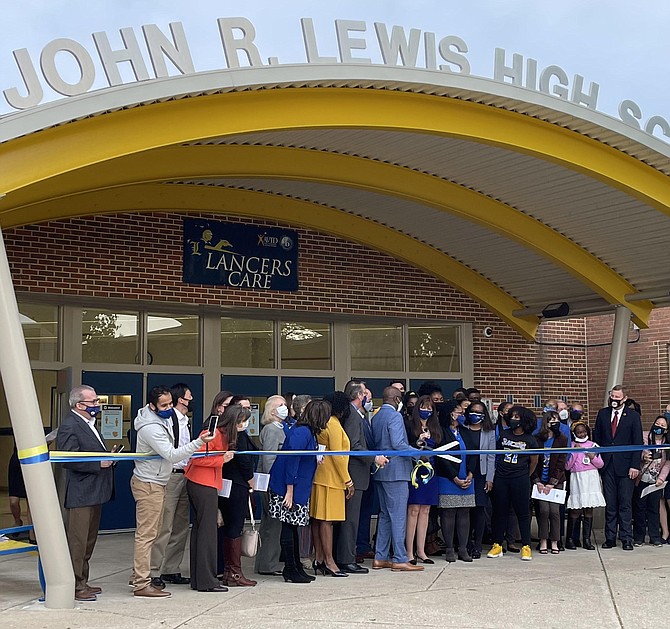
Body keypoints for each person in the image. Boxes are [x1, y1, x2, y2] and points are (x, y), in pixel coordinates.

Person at [131, 385, 214, 598]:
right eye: (165, 405)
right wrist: (199, 443)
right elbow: (171, 453)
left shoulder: (166, 419)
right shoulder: (150, 427)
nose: (170, 408)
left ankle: (161, 572)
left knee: (173, 528)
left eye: (170, 403)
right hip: (152, 482)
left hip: (166, 477)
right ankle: (143, 580)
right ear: (152, 406)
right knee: (150, 533)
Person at [56, 385, 114, 602]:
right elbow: (69, 458)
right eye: (94, 402)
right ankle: (75, 584)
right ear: (80, 405)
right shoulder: (70, 425)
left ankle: (83, 580)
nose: (97, 405)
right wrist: (98, 463)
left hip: (95, 490)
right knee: (78, 541)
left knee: (88, 540)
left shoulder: (90, 424)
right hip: (81, 492)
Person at [269, 399, 330, 583]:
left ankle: (295, 566)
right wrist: (289, 490)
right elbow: (291, 460)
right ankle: (290, 568)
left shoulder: (308, 432)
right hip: (288, 486)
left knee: (293, 527)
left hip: (298, 486)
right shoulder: (301, 432)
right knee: (288, 527)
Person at [370, 386, 424, 572]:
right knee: (398, 516)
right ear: (395, 399)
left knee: (385, 515)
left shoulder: (376, 416)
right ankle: (400, 558)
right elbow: (398, 444)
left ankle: (380, 556)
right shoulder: (394, 416)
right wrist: (419, 454)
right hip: (397, 472)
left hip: (381, 471)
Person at [185, 405, 237, 592]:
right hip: (203, 484)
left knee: (202, 532)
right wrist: (222, 460)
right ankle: (207, 581)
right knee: (207, 533)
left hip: (206, 483)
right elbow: (197, 458)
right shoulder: (212, 433)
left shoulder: (221, 434)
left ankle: (201, 579)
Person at [336, 382, 387, 574]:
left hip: (360, 474)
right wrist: (375, 457)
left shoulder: (360, 416)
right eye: (366, 394)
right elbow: (354, 446)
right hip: (354, 473)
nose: (369, 399)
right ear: (359, 395)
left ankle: (347, 555)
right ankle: (346, 558)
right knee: (350, 519)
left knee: (353, 518)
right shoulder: (353, 416)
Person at [149, 383, 194, 589]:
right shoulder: (168, 419)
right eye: (187, 396)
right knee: (163, 526)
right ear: (179, 399)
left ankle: (171, 569)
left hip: (185, 475)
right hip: (170, 476)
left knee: (181, 526)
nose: (191, 400)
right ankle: (153, 571)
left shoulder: (186, 421)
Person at [593, 385, 643, 550]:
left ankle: (627, 538)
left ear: (624, 398)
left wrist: (635, 465)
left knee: (625, 504)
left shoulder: (633, 416)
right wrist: (598, 462)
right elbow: (597, 439)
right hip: (607, 466)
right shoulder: (603, 413)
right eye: (612, 396)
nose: (614, 400)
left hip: (626, 466)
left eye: (617, 397)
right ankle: (610, 538)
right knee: (611, 504)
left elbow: (637, 443)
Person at [487, 405, 539, 561]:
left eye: (517, 417)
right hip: (502, 478)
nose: (513, 419)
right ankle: (497, 545)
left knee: (522, 512)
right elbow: (496, 454)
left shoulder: (530, 439)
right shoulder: (503, 434)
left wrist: (524, 475)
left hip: (520, 478)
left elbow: (534, 461)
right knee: (499, 512)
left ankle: (526, 546)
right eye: (512, 416)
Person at [310, 391, 352, 578]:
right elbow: (337, 455)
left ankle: (319, 558)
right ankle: (329, 561)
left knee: (318, 520)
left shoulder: (323, 422)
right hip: (332, 479)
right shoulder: (333, 424)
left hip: (320, 476)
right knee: (327, 522)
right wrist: (347, 480)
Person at [220, 400, 258, 587]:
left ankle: (229, 571)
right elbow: (244, 463)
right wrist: (252, 482)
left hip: (227, 486)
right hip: (238, 486)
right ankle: (235, 572)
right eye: (243, 420)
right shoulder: (238, 436)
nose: (246, 424)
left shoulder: (225, 435)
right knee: (235, 527)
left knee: (230, 527)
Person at [436, 400, 476, 563]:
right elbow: (441, 458)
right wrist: (455, 478)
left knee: (464, 513)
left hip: (466, 477)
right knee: (449, 513)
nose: (461, 415)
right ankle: (450, 548)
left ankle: (463, 549)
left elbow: (474, 453)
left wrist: (470, 474)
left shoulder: (465, 432)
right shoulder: (441, 432)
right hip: (448, 478)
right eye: (458, 412)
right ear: (450, 414)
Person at [255, 395, 289, 576]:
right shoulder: (271, 429)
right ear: (272, 410)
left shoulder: (280, 428)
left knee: (271, 524)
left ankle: (266, 563)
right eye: (281, 405)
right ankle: (269, 564)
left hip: (272, 481)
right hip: (271, 483)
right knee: (272, 525)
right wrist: (274, 483)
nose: (285, 407)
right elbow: (269, 459)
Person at [405, 395, 441, 564]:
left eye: (429, 408)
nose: (426, 411)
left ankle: (421, 550)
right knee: (413, 510)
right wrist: (418, 441)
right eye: (423, 407)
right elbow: (405, 446)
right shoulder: (409, 425)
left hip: (431, 471)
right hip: (415, 470)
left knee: (425, 510)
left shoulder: (435, 426)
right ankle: (409, 551)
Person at [462, 401, 496, 559]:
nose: (476, 415)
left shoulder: (489, 432)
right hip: (465, 473)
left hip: (481, 475)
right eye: (473, 411)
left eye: (479, 412)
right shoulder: (463, 430)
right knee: (466, 510)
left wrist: (490, 478)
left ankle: (477, 545)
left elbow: (491, 456)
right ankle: (465, 543)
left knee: (480, 510)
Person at [565, 420, 606, 550]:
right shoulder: (571, 445)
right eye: (578, 432)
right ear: (574, 433)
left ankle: (587, 539)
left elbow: (600, 464)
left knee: (589, 508)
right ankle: (570, 539)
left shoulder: (593, 445)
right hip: (577, 478)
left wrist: (592, 456)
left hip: (591, 478)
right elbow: (567, 466)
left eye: (583, 432)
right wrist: (575, 452)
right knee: (576, 509)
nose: (582, 434)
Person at [531, 411, 567, 554]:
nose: (555, 422)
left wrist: (552, 483)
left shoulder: (562, 439)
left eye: (557, 420)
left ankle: (555, 541)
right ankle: (543, 540)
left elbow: (561, 462)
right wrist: (537, 481)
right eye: (552, 420)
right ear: (546, 422)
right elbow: (532, 462)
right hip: (540, 480)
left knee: (555, 511)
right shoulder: (536, 439)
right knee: (544, 511)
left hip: (555, 480)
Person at [633, 416, 670, 546]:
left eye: (662, 426)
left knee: (654, 509)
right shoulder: (644, 437)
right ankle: (639, 537)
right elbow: (637, 452)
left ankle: (655, 537)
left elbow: (667, 464)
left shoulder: (667, 442)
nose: (659, 427)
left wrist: (661, 479)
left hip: (656, 482)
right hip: (641, 478)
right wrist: (644, 456)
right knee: (639, 508)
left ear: (666, 430)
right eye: (657, 423)